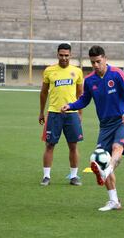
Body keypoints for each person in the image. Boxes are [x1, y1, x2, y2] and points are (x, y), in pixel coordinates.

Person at [61, 45, 124, 211]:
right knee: (98, 158)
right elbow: (84, 100)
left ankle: (106, 169)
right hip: (105, 125)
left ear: (105, 59)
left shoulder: (116, 74)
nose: (95, 65)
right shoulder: (89, 80)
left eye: (98, 61)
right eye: (92, 62)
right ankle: (114, 201)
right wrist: (71, 105)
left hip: (123, 120)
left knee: (117, 148)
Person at [39, 43, 84, 186]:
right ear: (57, 55)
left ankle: (74, 176)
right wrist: (41, 112)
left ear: (71, 55)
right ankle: (46, 176)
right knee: (49, 145)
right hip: (54, 113)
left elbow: (80, 94)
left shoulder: (77, 71)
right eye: (61, 55)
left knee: (73, 145)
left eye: (66, 55)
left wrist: (80, 113)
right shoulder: (49, 71)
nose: (64, 58)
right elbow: (44, 92)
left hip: (72, 114)